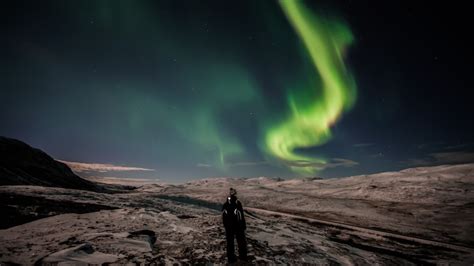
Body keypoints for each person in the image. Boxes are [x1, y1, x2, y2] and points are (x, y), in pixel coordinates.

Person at [222, 187, 247, 263]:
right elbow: (240, 215)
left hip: (229, 227)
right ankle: (243, 257)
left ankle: (231, 258)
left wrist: (226, 226)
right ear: (235, 194)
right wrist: (243, 225)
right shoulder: (237, 203)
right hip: (238, 226)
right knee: (241, 242)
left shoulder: (225, 204)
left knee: (230, 243)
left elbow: (223, 216)